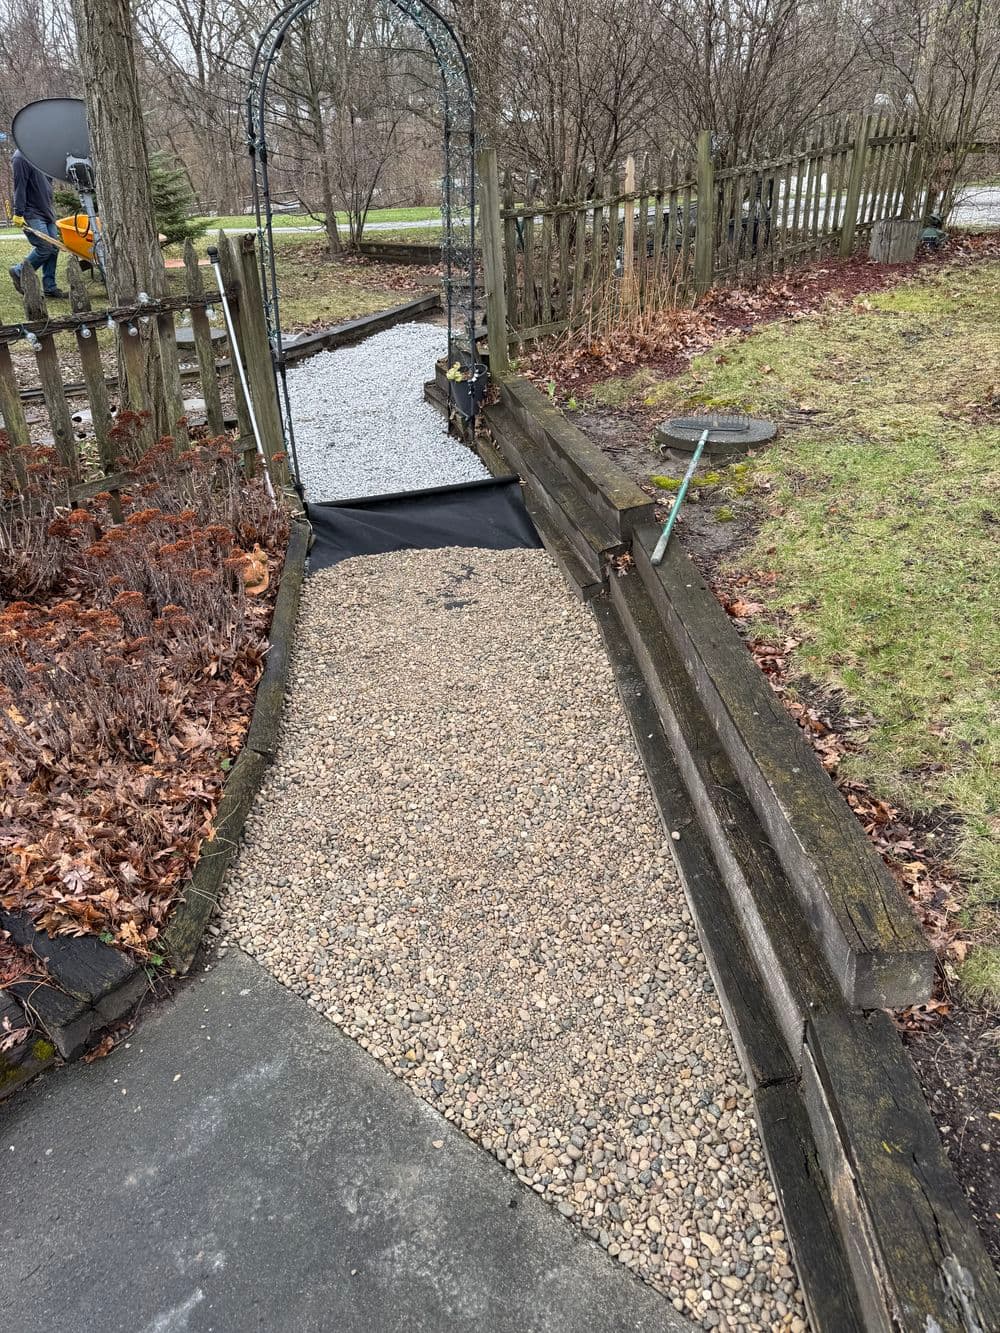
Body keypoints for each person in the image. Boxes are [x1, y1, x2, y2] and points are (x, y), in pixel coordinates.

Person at [8, 147, 66, 299]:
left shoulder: (38, 154)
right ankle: (19, 271)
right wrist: (18, 213)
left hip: (46, 211)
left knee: (54, 248)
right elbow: (19, 187)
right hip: (31, 212)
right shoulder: (20, 158)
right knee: (45, 247)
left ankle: (50, 287)